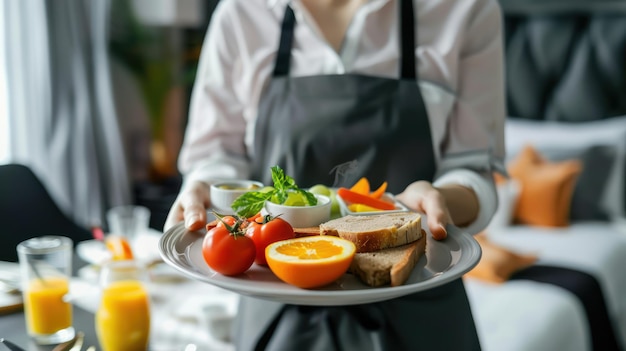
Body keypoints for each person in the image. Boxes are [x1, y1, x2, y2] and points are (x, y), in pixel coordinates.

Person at [165, 0, 505, 349]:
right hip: (273, 309)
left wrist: (441, 199)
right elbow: (217, 157)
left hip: (421, 320)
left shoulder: (464, 8)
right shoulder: (241, 13)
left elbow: (474, 169)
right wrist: (204, 188)